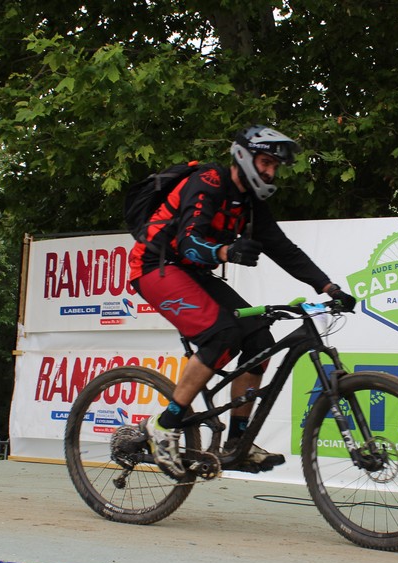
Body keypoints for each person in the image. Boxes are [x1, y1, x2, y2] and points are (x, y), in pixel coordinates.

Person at [128, 124, 356, 479]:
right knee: (222, 334)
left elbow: (284, 250)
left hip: (193, 272)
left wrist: (328, 287)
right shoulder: (208, 182)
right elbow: (189, 241)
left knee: (259, 339)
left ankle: (237, 443)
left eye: (274, 166)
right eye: (265, 162)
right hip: (155, 266)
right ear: (243, 156)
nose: (270, 172)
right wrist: (226, 251)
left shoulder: (250, 204)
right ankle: (164, 424)